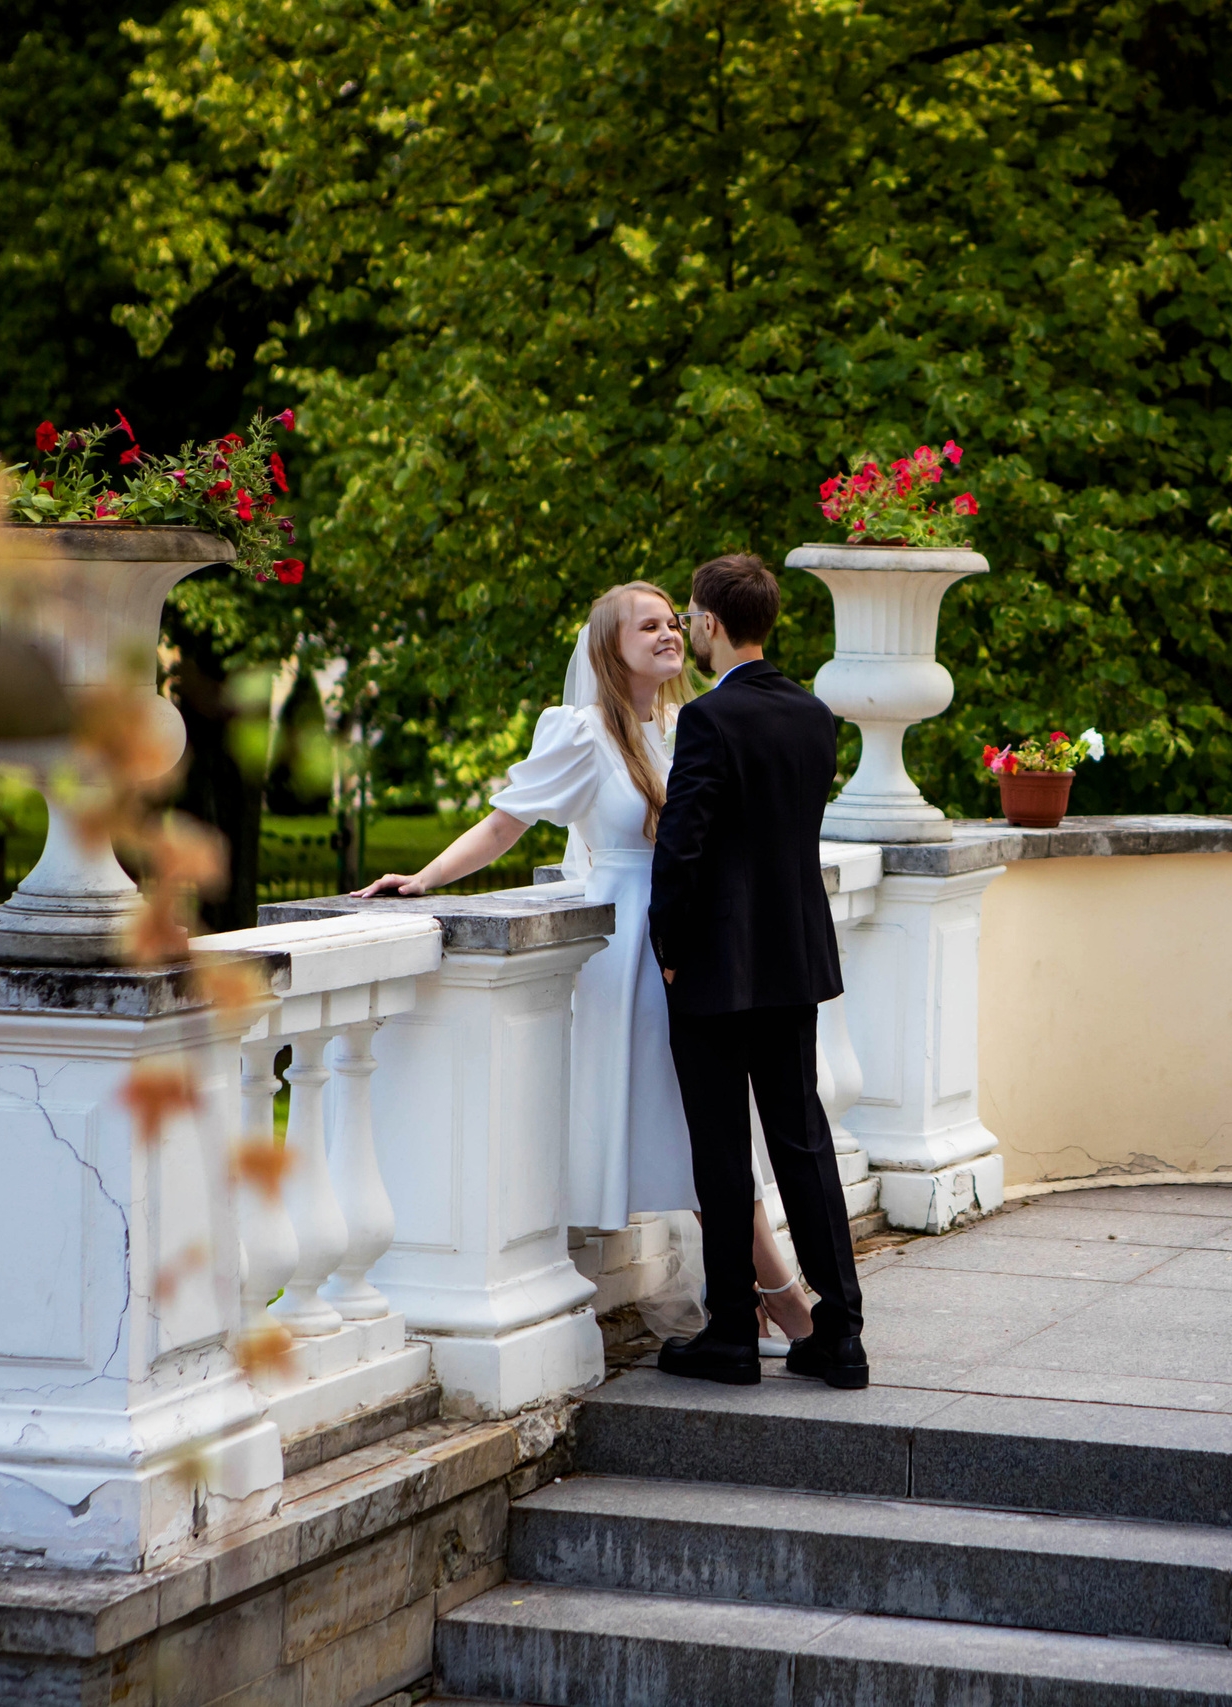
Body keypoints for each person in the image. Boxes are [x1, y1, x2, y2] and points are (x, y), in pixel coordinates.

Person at [353, 580, 815, 1350]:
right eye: (648, 626)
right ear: (609, 646)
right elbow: (506, 824)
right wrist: (426, 880)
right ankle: (784, 1300)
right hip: (632, 952)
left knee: (714, 1132)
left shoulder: (686, 724)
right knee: (694, 1131)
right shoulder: (580, 734)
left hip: (695, 943)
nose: (670, 633)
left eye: (675, 622)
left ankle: (765, 1299)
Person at [650, 553, 868, 1389]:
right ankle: (841, 1334)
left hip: (711, 967)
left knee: (720, 1148)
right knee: (804, 1141)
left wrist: (668, 948)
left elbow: (685, 845)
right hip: (792, 960)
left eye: (691, 618)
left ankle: (733, 1334)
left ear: (708, 622)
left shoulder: (709, 719)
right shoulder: (815, 715)